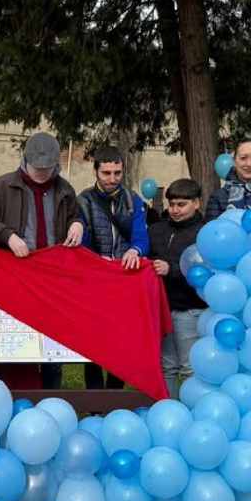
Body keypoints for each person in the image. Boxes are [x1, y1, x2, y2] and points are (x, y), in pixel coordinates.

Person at [0, 132, 83, 389]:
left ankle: (52, 398)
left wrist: (77, 223)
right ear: (25, 160)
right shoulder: (1, 186)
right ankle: (12, 395)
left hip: (53, 281)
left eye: (48, 168)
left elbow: (75, 214)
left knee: (53, 350)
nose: (42, 172)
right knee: (18, 346)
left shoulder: (65, 189)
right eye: (37, 167)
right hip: (16, 279)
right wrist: (6, 235)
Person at [76, 146, 150, 390]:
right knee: (93, 344)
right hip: (94, 282)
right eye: (106, 173)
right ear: (95, 171)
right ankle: (95, 402)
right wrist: (98, 262)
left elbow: (141, 237)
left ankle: (115, 397)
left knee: (121, 342)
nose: (112, 179)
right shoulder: (83, 201)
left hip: (123, 281)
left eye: (117, 173)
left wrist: (134, 251)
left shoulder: (133, 199)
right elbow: (81, 248)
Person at [148, 179, 207, 398]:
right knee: (166, 366)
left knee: (190, 367)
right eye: (171, 204)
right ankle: (169, 410)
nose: (175, 210)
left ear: (197, 203)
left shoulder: (205, 233)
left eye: (181, 204)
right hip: (161, 309)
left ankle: (195, 411)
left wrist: (171, 269)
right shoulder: (156, 230)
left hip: (190, 309)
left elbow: (205, 270)